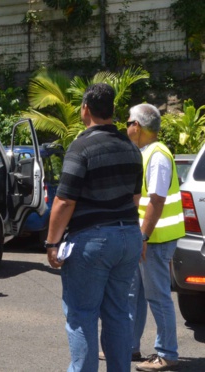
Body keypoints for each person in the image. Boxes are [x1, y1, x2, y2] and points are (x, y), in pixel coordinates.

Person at [45, 83, 144, 372]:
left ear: (85, 109)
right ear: (113, 111)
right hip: (128, 236)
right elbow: (135, 198)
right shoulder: (131, 147)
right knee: (117, 314)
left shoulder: (82, 146)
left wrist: (52, 244)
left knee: (82, 314)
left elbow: (64, 201)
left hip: (93, 240)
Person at [126, 103, 185, 372]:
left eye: (128, 122)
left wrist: (144, 235)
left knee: (157, 296)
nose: (126, 126)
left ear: (137, 126)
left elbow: (158, 200)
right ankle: (130, 345)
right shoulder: (146, 153)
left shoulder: (158, 155)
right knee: (136, 293)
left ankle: (166, 354)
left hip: (156, 238)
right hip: (150, 237)